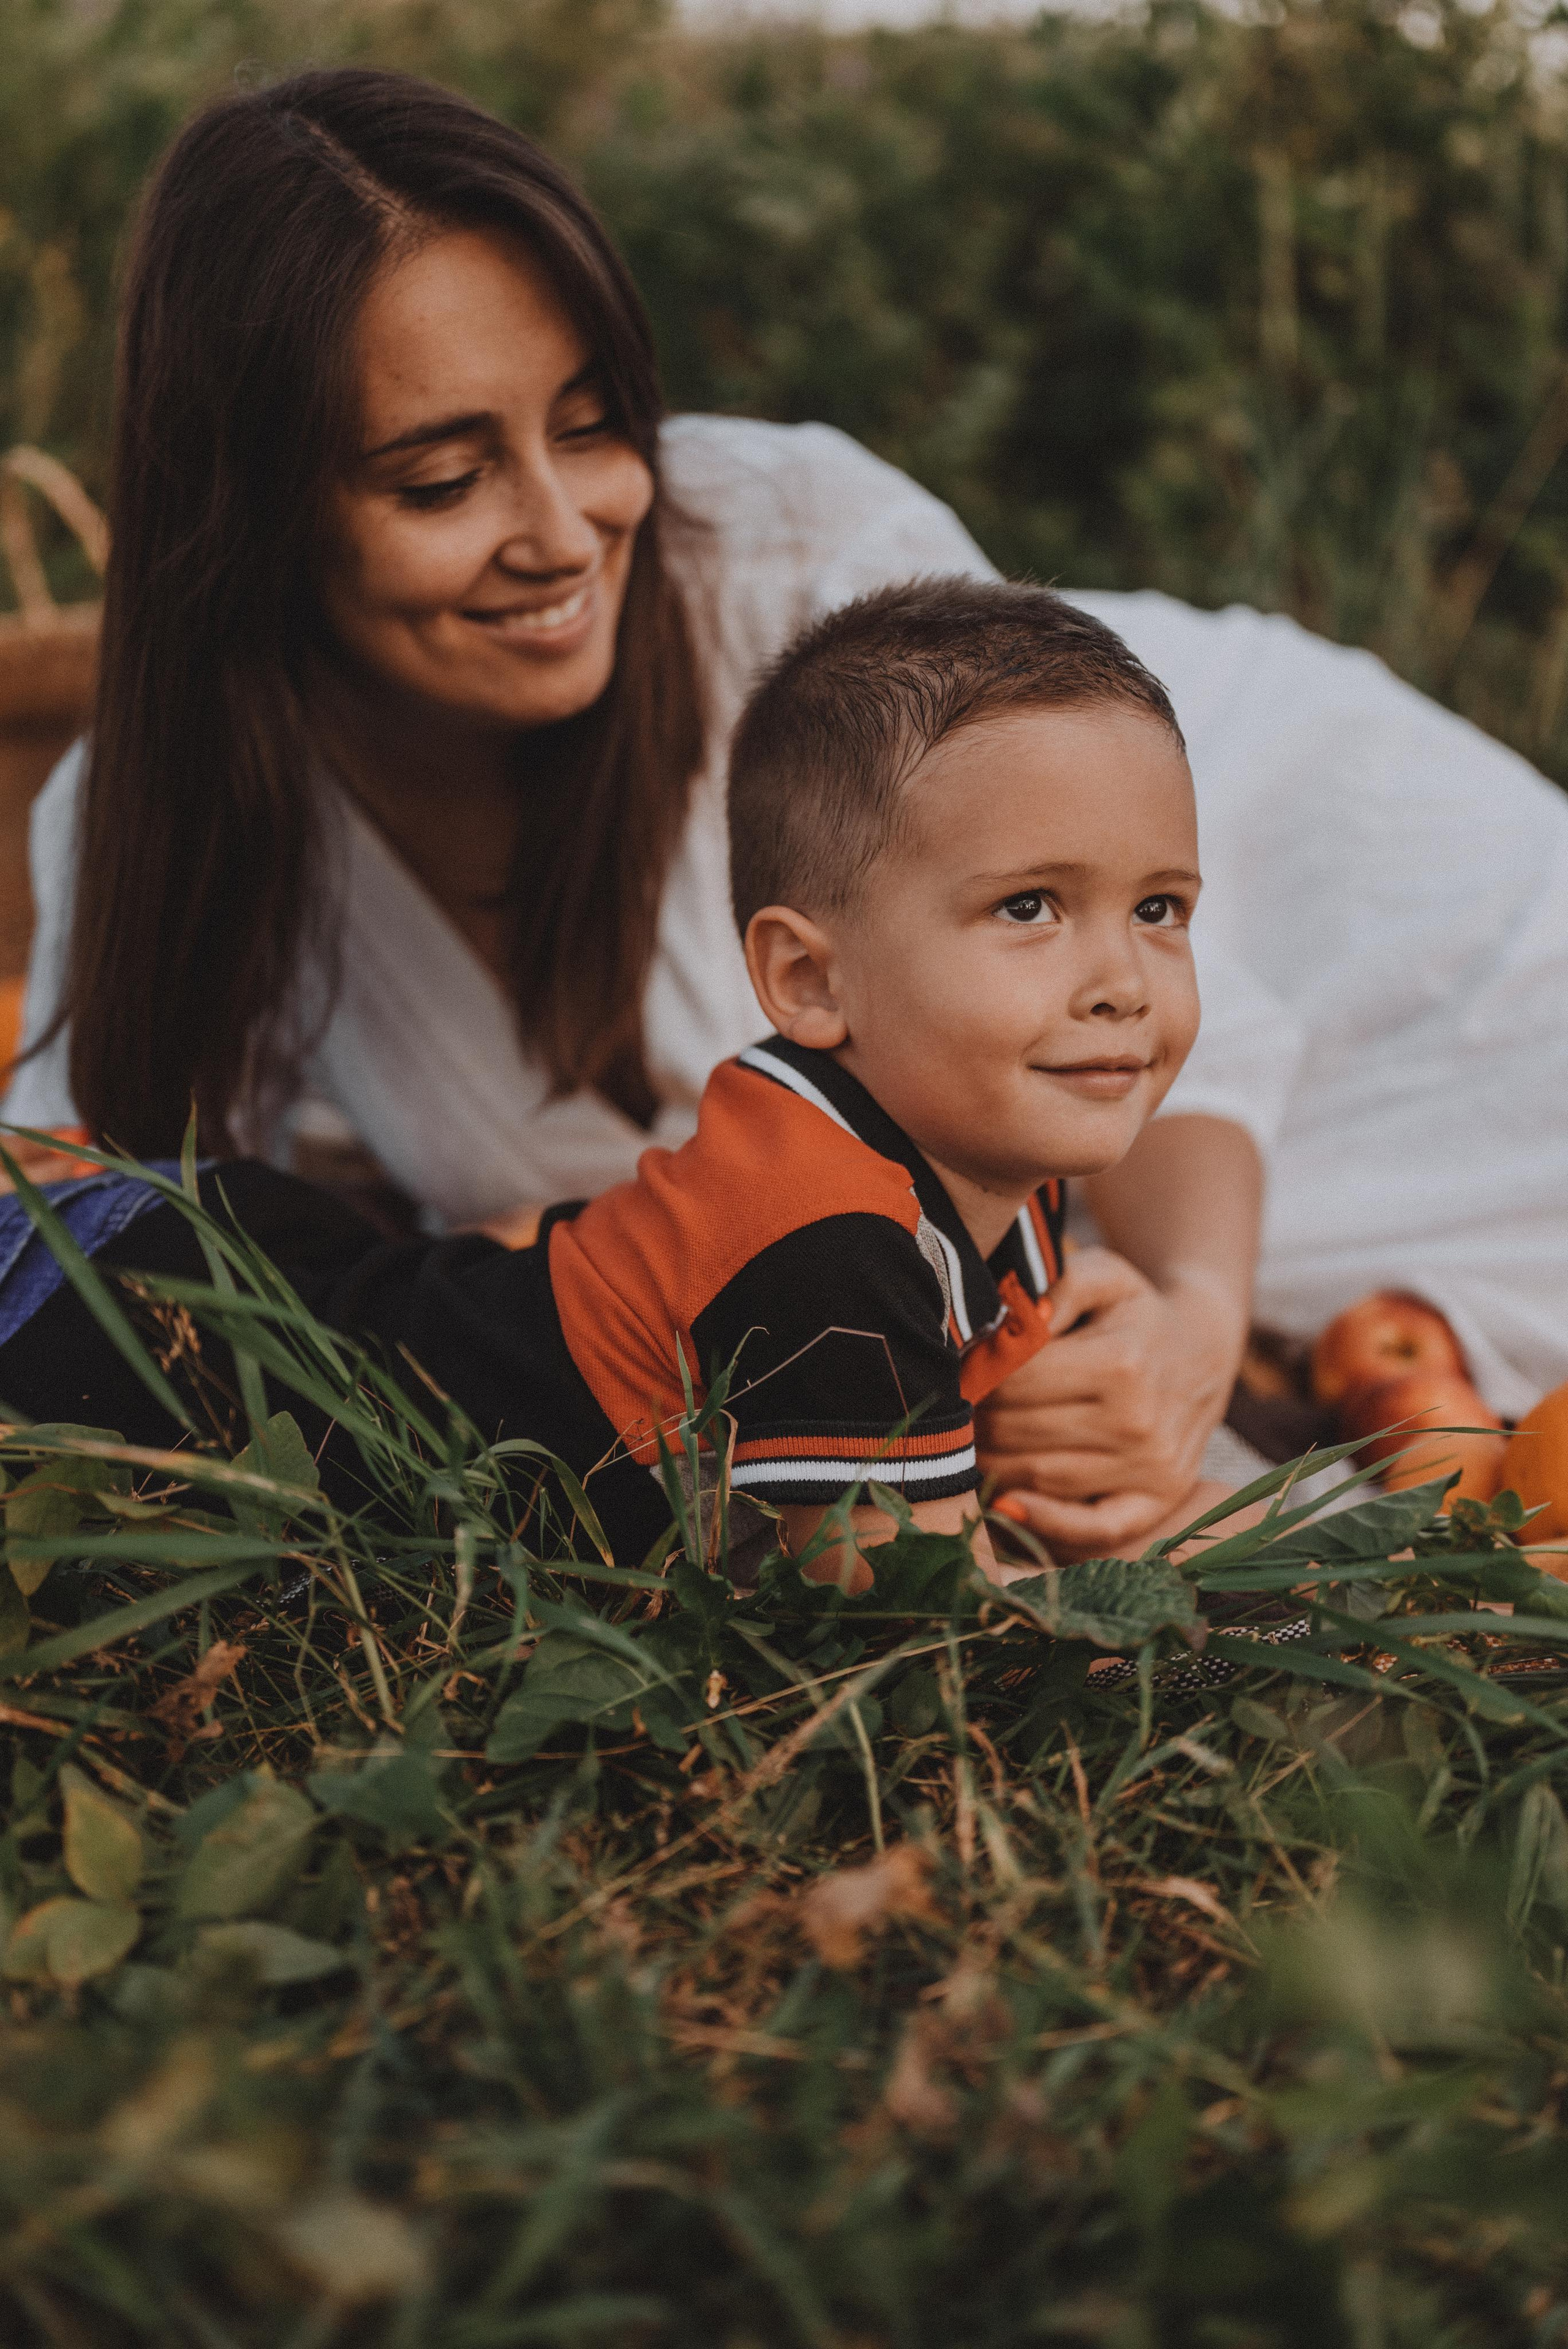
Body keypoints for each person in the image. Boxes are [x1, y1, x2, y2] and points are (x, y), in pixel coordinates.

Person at [4, 68, 1566, 1560]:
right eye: (441, 482)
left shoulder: (785, 543)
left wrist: (1186, 1313)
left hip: (1241, 826)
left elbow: (1156, 977)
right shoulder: (159, 821)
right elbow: (77, 1227)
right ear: (255, 513)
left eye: (592, 424)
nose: (564, 534)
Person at [0, 581, 1231, 1578]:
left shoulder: (993, 1167)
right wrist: (1205, 1625)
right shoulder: (830, 1248)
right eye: (1029, 907)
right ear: (808, 981)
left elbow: (954, 1452)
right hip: (176, 1364)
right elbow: (916, 1631)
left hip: (319, 1280)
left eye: (1158, 908)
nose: (1120, 979)